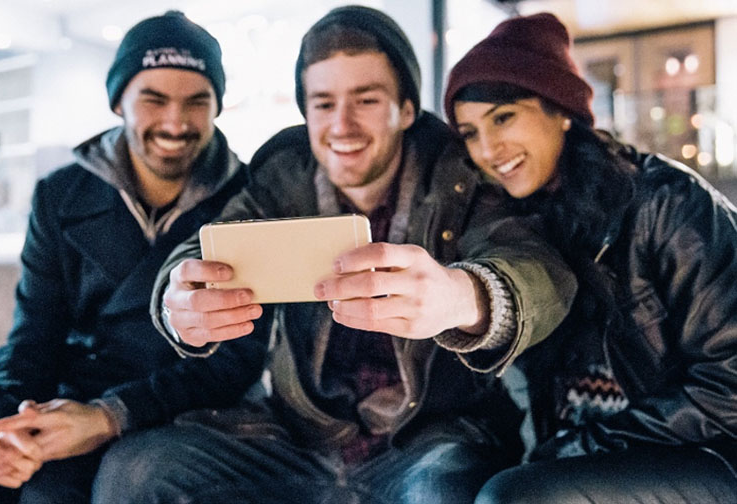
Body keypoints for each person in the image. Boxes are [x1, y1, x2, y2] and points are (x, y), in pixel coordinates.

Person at [90, 6, 576, 504]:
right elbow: (207, 244)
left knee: (444, 489)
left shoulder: (459, 174)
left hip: (432, 438)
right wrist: (178, 298)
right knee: (135, 471)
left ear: (406, 110)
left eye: (365, 100)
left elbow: (536, 265)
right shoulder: (284, 175)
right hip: (296, 436)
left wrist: (464, 296)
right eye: (323, 104)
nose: (341, 125)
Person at [0, 11, 264, 504]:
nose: (175, 121)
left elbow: (235, 365)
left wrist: (109, 416)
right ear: (118, 101)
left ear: (217, 107)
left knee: (53, 490)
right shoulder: (62, 196)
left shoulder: (247, 201)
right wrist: (2, 430)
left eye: (196, 101)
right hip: (68, 401)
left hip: (174, 413)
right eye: (154, 99)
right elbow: (33, 334)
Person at [442, 12, 737, 503]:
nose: (489, 149)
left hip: (708, 452)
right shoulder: (520, 227)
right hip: (592, 454)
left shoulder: (665, 203)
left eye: (503, 117)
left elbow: (729, 385)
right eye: (470, 132)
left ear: (560, 109)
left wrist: (583, 446)